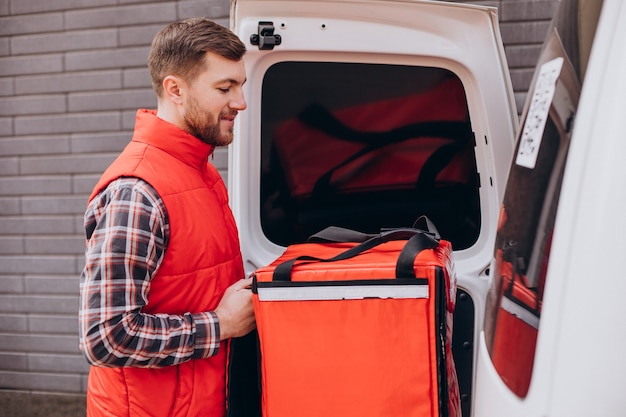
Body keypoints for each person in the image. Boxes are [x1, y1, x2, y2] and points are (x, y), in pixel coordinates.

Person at [78, 18, 255, 417]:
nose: (241, 102)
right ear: (175, 89)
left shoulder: (202, 172)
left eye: (240, 86)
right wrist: (220, 324)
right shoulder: (137, 193)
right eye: (225, 88)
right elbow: (106, 337)